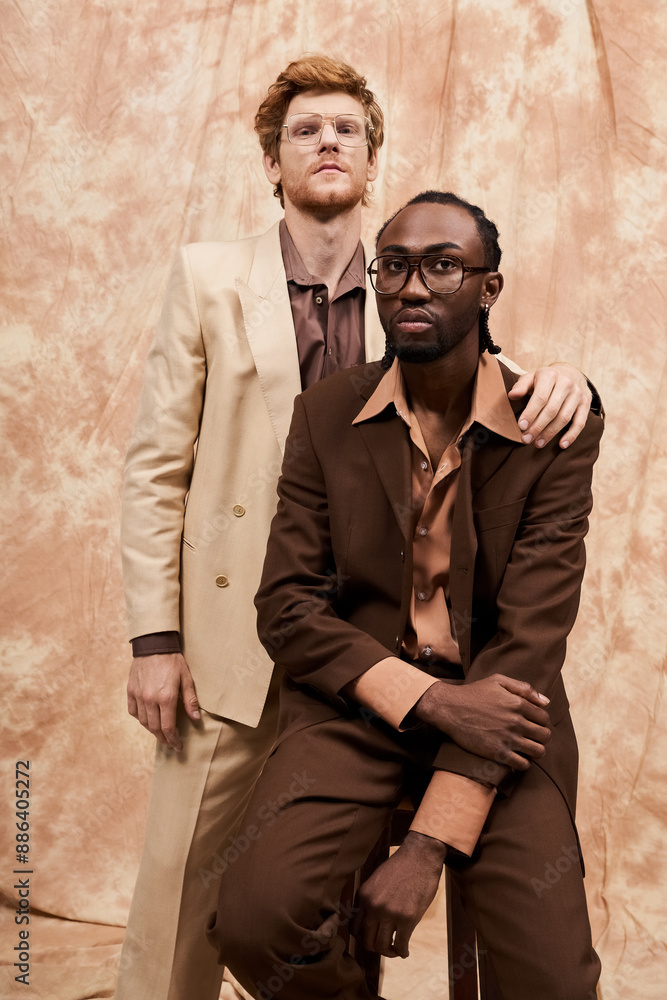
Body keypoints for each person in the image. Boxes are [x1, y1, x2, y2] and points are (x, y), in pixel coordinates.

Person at [118, 53, 597, 1000]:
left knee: (495, 934)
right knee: (202, 887)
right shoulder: (210, 277)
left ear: (372, 162)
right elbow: (153, 467)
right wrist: (155, 637)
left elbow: (476, 379)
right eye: (305, 129)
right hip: (258, 632)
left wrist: (574, 384)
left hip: (400, 642)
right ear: (272, 163)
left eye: (346, 129)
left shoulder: (412, 283)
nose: (327, 141)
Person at [207, 191, 603, 1000]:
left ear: (488, 289)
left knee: (548, 982)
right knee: (255, 919)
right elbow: (286, 608)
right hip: (356, 710)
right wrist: (424, 699)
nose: (412, 288)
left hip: (505, 719)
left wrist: (425, 847)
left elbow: (529, 639)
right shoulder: (325, 413)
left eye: (442, 266)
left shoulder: (553, 426)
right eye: (392, 267)